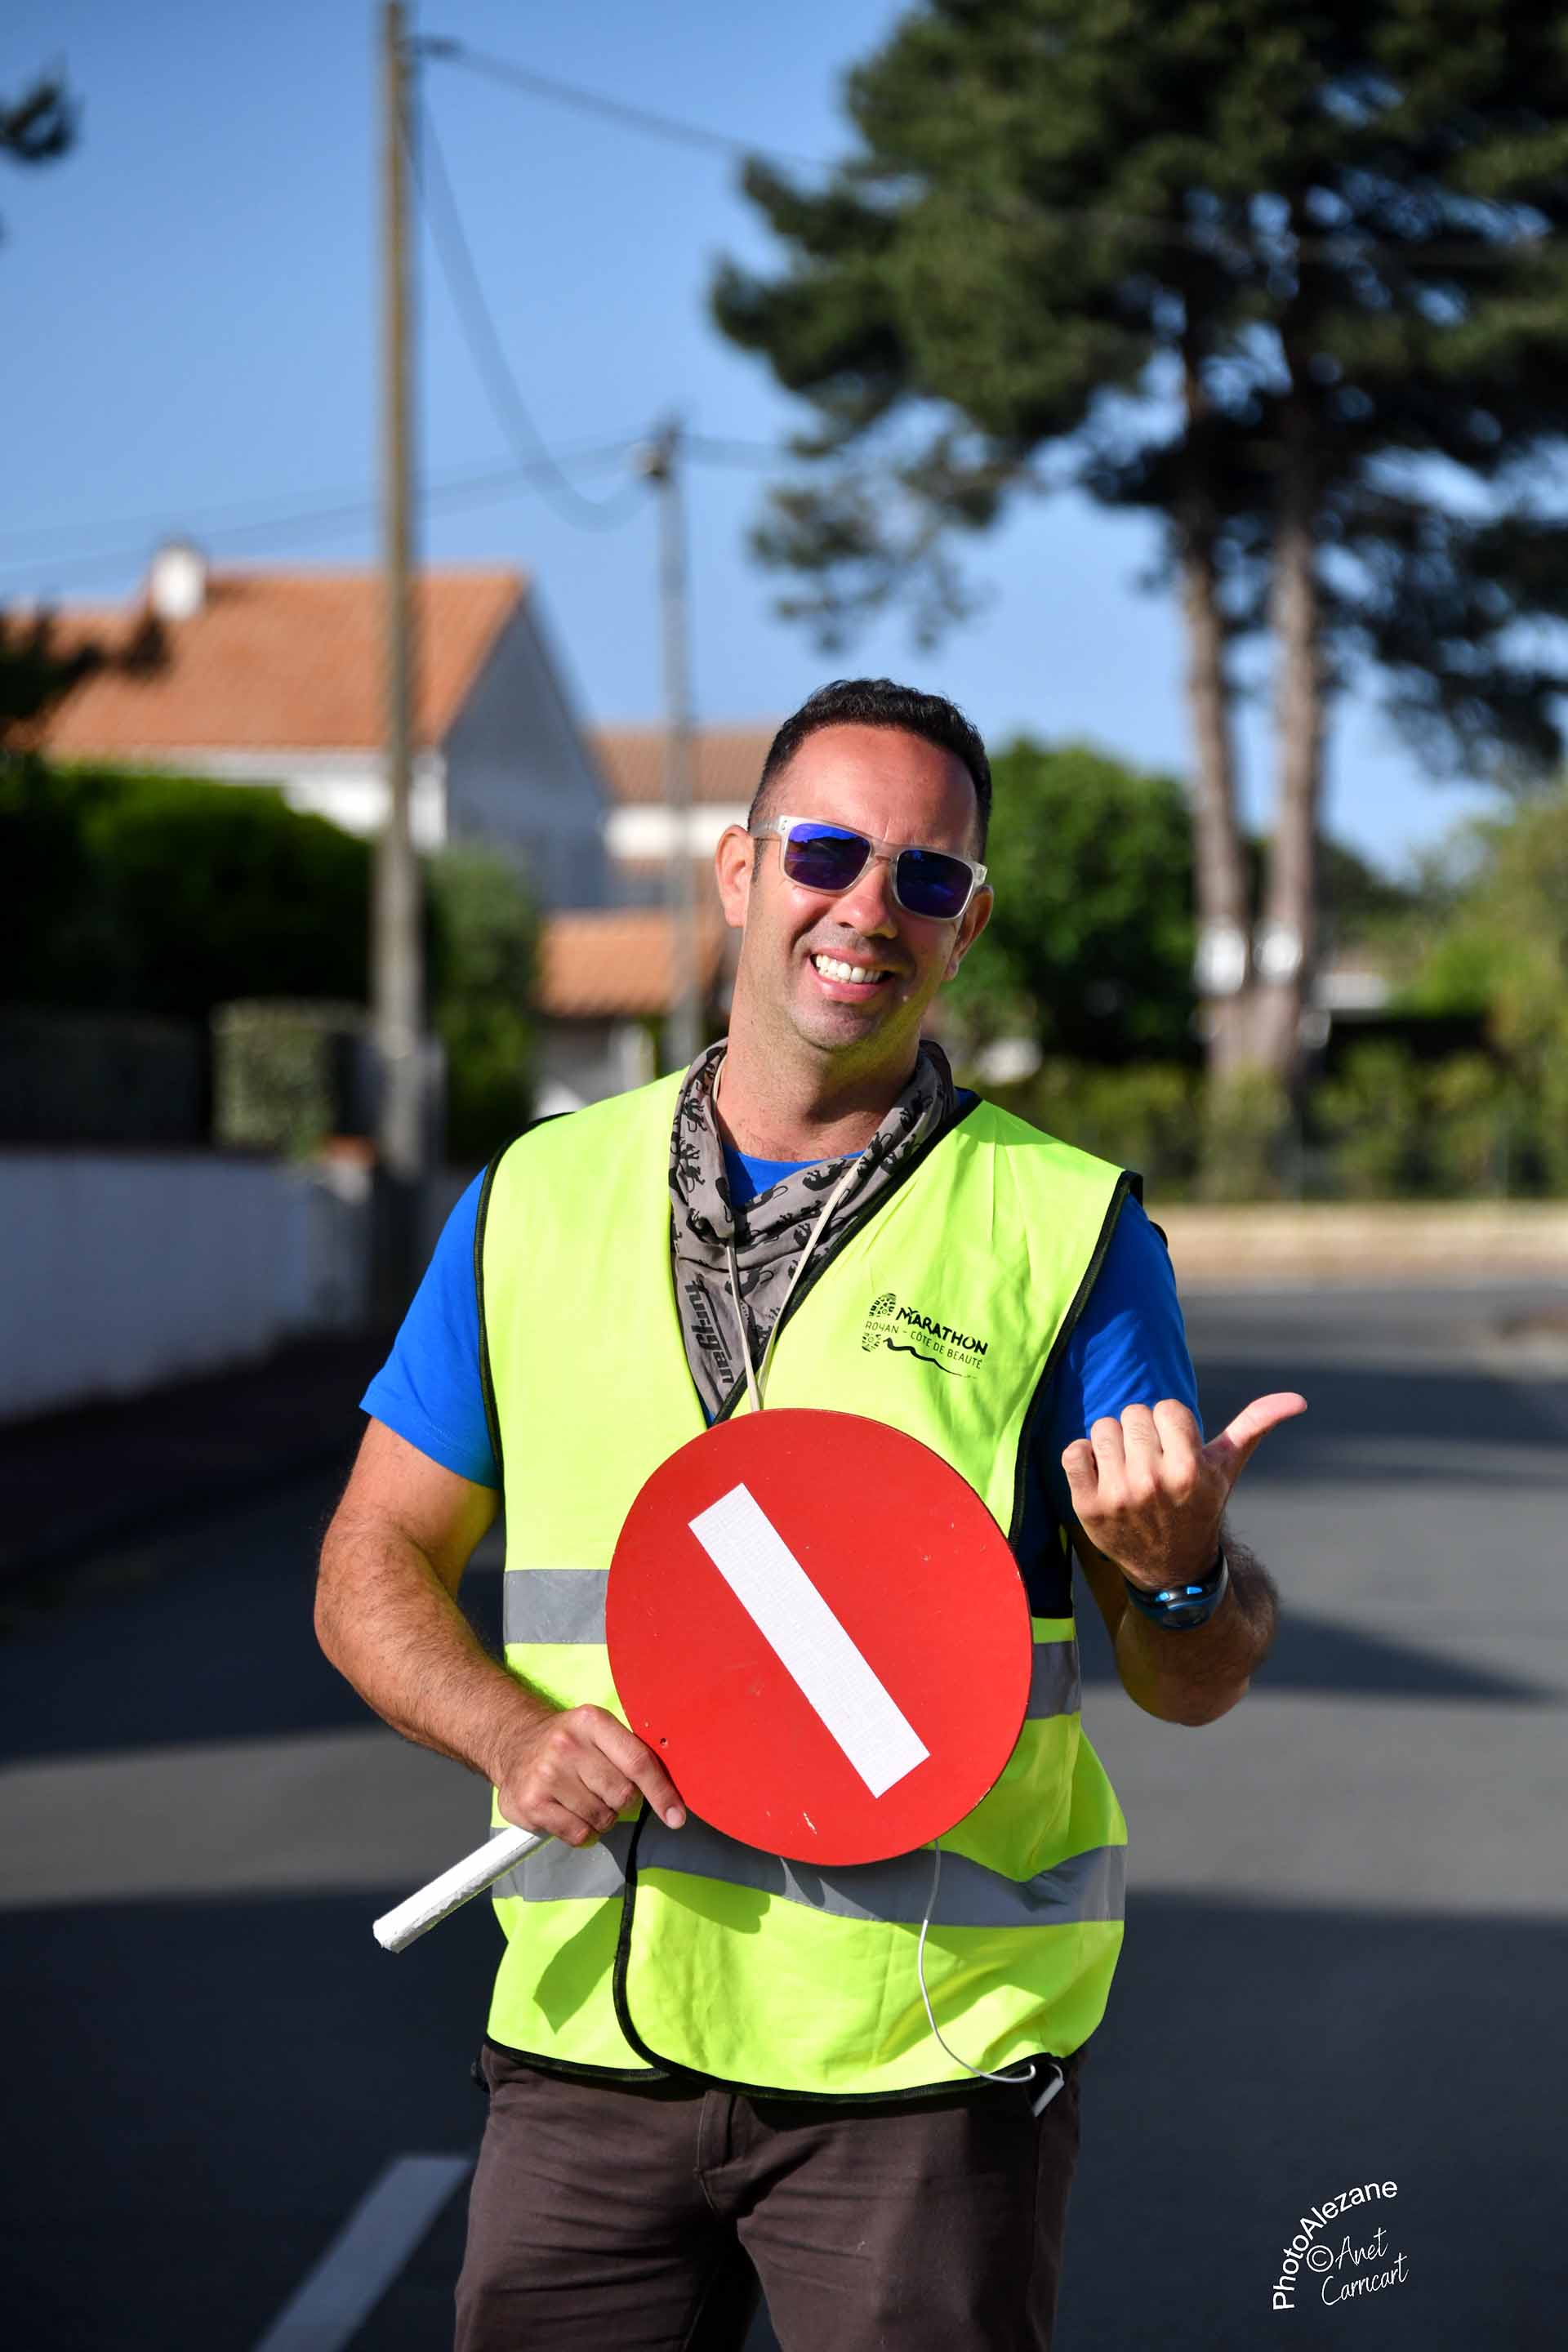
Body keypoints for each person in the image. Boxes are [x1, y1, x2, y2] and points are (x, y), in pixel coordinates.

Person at [314, 678, 1304, 2352]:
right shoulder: (534, 1199)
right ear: (738, 871)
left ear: (968, 924)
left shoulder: (1066, 1232)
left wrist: (1186, 1576)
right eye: (826, 854)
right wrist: (508, 1731)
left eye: (927, 877)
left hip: (923, 2068)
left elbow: (1191, 1679)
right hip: (586, 2053)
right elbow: (371, 1562)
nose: (868, 908)